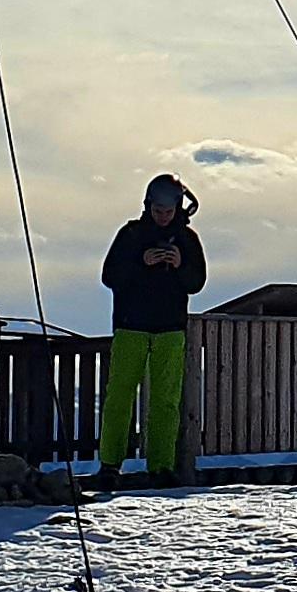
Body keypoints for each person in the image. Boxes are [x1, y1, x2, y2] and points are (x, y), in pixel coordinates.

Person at [93, 171, 208, 485]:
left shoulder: (187, 240)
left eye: (168, 211)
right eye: (158, 210)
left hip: (170, 329)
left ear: (177, 208)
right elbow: (109, 276)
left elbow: (196, 283)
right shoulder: (130, 235)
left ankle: (161, 467)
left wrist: (180, 264)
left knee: (166, 401)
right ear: (148, 206)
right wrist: (140, 262)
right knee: (119, 396)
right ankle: (110, 465)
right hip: (130, 327)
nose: (163, 216)